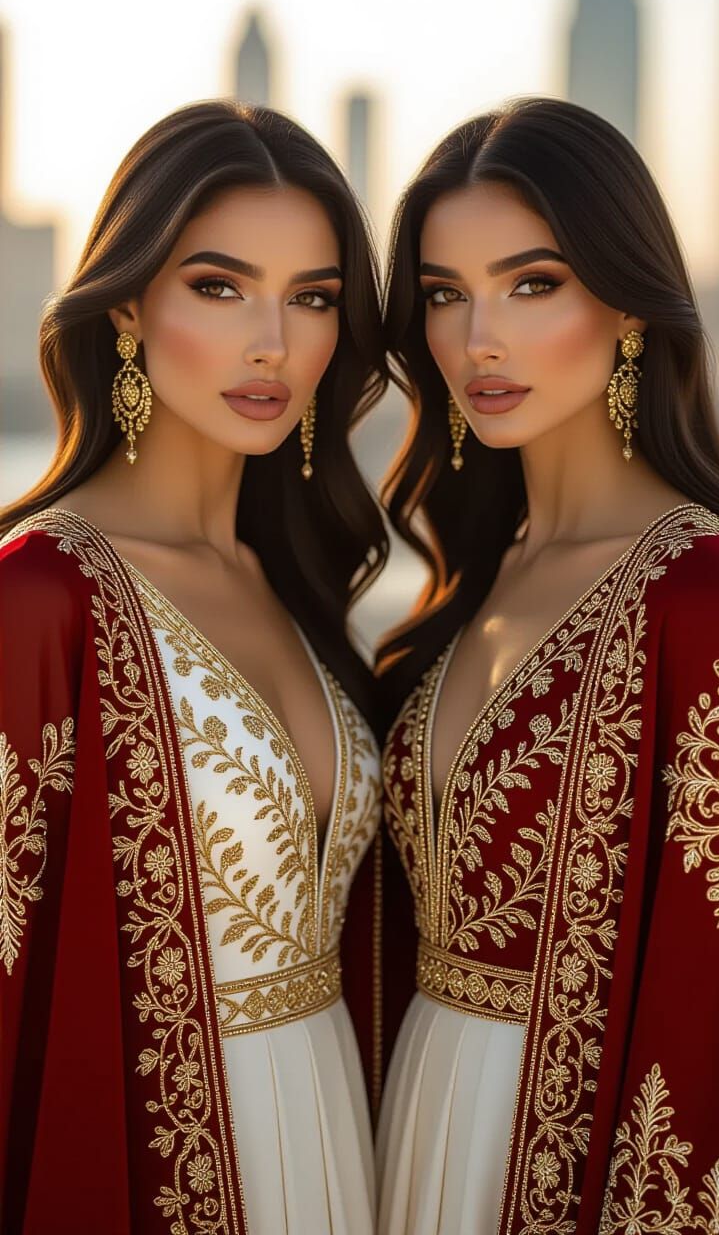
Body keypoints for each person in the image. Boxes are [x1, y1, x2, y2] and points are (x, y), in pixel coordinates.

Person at [375, 97, 719, 1234]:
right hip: (417, 1121)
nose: (477, 338)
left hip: (574, 1153)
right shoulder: (473, 578)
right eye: (446, 296)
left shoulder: (701, 592)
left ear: (628, 306)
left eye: (530, 283)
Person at [0, 99, 387, 1234]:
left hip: (339, 1148)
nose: (272, 341)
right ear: (126, 302)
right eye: (220, 287)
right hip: (150, 1167)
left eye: (311, 298)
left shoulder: (300, 584)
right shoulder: (40, 594)